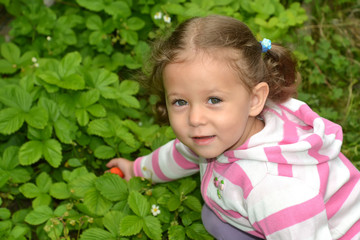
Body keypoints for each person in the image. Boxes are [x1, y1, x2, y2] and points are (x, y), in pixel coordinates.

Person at [107, 15, 360, 239]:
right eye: (180, 102)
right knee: (212, 217)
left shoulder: (275, 192)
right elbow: (181, 153)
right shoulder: (220, 132)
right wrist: (136, 169)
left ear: (254, 100)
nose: (195, 118)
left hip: (325, 231)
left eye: (214, 100)